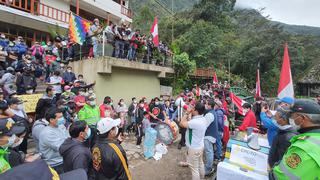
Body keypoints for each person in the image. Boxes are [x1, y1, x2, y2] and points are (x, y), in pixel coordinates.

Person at [270, 99, 320, 179]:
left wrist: (274, 169)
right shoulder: (315, 138)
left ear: (302, 118)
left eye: (291, 116)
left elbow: (280, 177)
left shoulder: (304, 147)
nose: (289, 119)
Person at [179, 102, 209, 180]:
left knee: (194, 169)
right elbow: (190, 122)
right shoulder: (203, 119)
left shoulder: (195, 122)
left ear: (196, 111)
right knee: (200, 163)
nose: (192, 109)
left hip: (193, 148)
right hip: (200, 146)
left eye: (193, 108)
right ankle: (202, 178)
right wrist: (190, 115)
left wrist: (187, 112)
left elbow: (181, 123)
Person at [39, 108, 69, 174]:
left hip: (63, 159)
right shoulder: (47, 133)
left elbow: (67, 138)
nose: (63, 118)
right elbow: (61, 147)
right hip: (55, 164)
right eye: (60, 117)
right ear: (51, 120)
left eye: (62, 116)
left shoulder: (60, 126)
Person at [203, 99, 218, 176]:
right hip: (211, 135)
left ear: (209, 105)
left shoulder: (209, 114)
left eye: (206, 104)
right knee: (209, 152)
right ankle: (208, 167)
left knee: (209, 152)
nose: (205, 105)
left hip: (208, 136)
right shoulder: (212, 112)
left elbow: (204, 125)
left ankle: (208, 169)